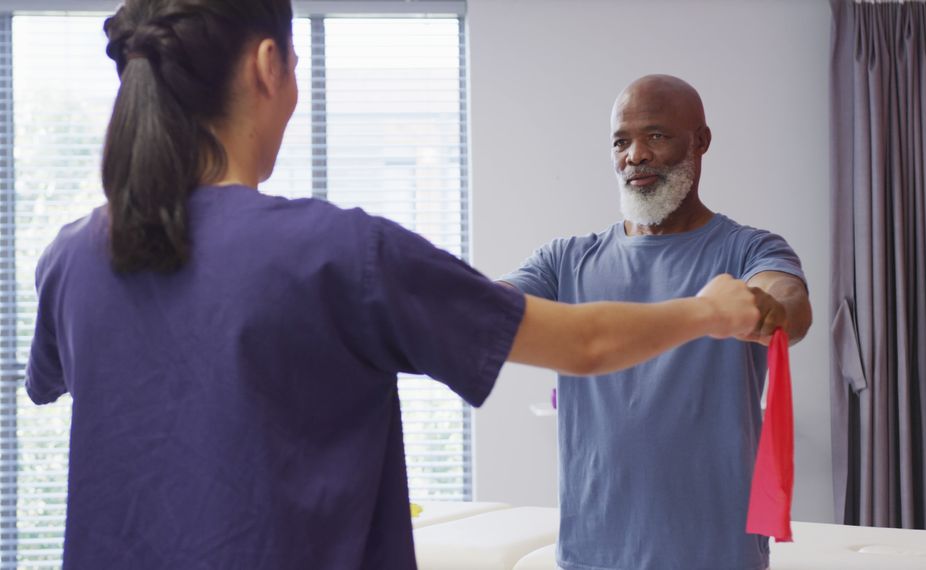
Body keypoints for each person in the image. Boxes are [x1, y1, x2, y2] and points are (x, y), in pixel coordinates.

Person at [23, 4, 771, 569]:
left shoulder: (71, 258)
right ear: (267, 67)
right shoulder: (339, 253)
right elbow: (584, 342)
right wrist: (709, 310)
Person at [499, 74, 813, 570]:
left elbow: (787, 297)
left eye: (656, 136)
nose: (635, 155)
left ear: (701, 141)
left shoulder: (748, 249)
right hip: (591, 556)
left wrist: (770, 305)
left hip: (718, 555)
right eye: (621, 141)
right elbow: (489, 308)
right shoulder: (564, 261)